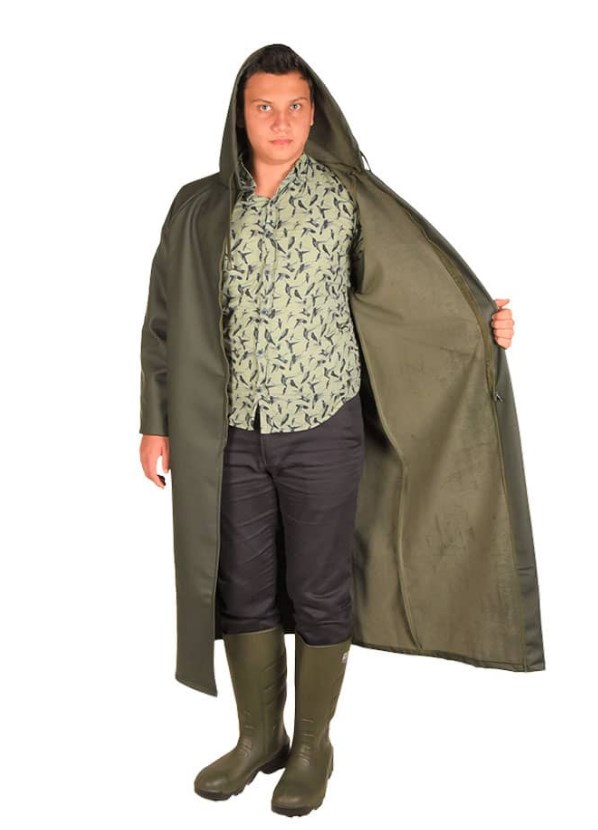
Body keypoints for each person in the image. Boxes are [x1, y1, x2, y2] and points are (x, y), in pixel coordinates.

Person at [139, 44, 527, 818]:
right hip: (227, 435)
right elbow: (162, 319)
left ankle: (313, 747)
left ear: (314, 114)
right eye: (264, 106)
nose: (280, 121)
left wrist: (482, 326)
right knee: (242, 585)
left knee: (319, 589)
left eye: (294, 106)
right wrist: (156, 423)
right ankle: (259, 738)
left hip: (322, 428)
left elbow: (412, 293)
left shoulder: (348, 200)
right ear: (241, 115)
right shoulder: (197, 207)